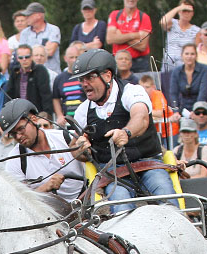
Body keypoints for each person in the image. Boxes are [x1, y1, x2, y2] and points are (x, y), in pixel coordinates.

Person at [69, 49, 177, 211]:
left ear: (107, 75)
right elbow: (74, 148)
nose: (85, 84)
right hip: (113, 172)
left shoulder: (132, 91)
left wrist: (126, 132)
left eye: (90, 77)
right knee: (120, 206)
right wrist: (80, 148)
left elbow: (141, 117)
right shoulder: (83, 111)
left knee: (166, 198)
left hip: (148, 164)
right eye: (82, 79)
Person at [0, 98, 86, 200]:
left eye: (20, 129)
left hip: (83, 201)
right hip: (47, 212)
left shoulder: (64, 137)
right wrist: (45, 187)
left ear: (34, 119)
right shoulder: (14, 160)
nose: (18, 136)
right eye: (13, 134)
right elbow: (19, 201)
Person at [3, 44, 55, 114]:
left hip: (37, 113)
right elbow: (9, 95)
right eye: (21, 57)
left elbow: (46, 95)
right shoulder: (15, 72)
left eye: (27, 57)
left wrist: (47, 115)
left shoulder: (40, 70)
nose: (24, 60)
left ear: (31, 57)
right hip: (19, 114)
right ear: (17, 59)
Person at [107, 0, 153, 73]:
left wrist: (120, 35)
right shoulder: (115, 15)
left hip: (139, 63)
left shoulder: (144, 17)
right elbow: (110, 39)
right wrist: (134, 35)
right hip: (119, 62)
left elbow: (142, 46)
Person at [18, 2, 62, 74]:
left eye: (29, 15)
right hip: (31, 74)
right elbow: (22, 54)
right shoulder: (24, 33)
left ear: (39, 15)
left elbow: (50, 52)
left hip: (51, 74)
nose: (26, 18)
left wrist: (30, 52)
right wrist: (43, 49)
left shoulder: (53, 29)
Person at [169, 43, 207, 114]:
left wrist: (196, 110)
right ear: (182, 55)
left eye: (192, 54)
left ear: (196, 56)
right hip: (184, 110)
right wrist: (176, 111)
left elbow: (203, 92)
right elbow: (173, 93)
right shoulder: (176, 71)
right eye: (187, 54)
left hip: (202, 110)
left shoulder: (205, 69)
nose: (189, 56)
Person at [52, 42, 87, 125]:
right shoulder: (59, 78)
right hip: (68, 120)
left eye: (76, 57)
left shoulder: (85, 76)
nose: (74, 60)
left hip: (85, 118)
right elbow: (55, 99)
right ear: (65, 58)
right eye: (71, 57)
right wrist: (60, 115)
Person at [160, 0, 200, 71]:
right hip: (168, 62)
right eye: (184, 11)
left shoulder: (196, 30)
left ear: (192, 13)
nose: (186, 13)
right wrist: (178, 8)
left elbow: (198, 50)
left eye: (189, 11)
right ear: (179, 12)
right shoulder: (172, 23)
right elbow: (163, 22)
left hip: (184, 64)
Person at [140, 75, 178, 145]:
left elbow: (160, 113)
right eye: (142, 87)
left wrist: (144, 112)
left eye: (147, 87)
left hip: (169, 131)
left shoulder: (158, 95)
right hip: (157, 132)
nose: (144, 90)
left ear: (153, 87)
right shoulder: (140, 97)